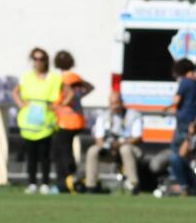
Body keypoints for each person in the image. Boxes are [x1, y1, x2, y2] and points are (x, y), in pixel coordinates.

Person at [12, 48, 62, 194]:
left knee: (45, 155)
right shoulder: (27, 77)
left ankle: (45, 183)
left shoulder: (54, 78)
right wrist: (21, 104)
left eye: (41, 59)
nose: (37, 62)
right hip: (29, 120)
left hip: (45, 120)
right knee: (31, 155)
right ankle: (32, 183)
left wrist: (57, 105)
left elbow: (68, 93)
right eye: (35, 59)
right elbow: (15, 92)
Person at [84, 92, 143, 194]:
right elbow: (99, 137)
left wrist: (120, 143)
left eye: (116, 103)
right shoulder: (103, 116)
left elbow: (137, 137)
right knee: (92, 150)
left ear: (122, 102)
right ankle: (91, 186)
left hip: (130, 148)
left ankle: (134, 184)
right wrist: (105, 146)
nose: (114, 106)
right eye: (112, 103)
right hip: (110, 149)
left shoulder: (133, 115)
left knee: (125, 149)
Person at [52, 51, 93, 193]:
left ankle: (67, 181)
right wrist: (79, 97)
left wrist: (61, 104)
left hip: (67, 120)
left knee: (62, 153)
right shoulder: (75, 77)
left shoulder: (64, 78)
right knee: (66, 151)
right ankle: (72, 180)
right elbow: (89, 87)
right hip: (77, 119)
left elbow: (69, 94)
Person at [165, 59, 196, 195]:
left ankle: (181, 184)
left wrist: (168, 107)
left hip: (184, 124)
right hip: (192, 123)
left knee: (176, 154)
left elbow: (177, 100)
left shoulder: (185, 82)